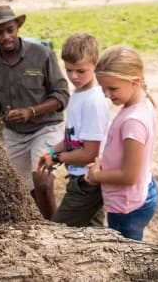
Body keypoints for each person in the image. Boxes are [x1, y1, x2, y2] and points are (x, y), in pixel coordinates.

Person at [0, 5, 70, 219]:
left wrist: (31, 111)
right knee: (22, 189)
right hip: (15, 135)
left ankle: (54, 232)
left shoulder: (41, 55)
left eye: (9, 30)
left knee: (43, 182)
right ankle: (39, 225)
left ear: (17, 27)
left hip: (46, 128)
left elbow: (62, 95)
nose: (5, 37)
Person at [85, 44, 158, 241]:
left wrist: (97, 175)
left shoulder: (133, 121)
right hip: (139, 193)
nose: (106, 95)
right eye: (103, 88)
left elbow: (129, 176)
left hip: (127, 207)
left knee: (128, 255)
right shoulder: (141, 103)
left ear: (135, 82)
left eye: (112, 88)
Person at [36, 33, 111, 227]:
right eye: (68, 70)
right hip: (79, 177)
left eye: (80, 71)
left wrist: (57, 158)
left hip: (87, 182)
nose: (74, 77)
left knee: (59, 229)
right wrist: (52, 151)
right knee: (92, 233)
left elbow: (89, 153)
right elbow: (72, 140)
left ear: (95, 64)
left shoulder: (93, 101)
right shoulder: (78, 93)